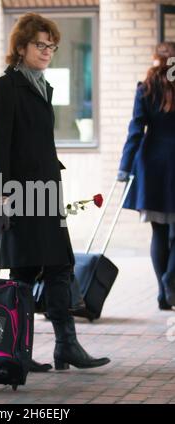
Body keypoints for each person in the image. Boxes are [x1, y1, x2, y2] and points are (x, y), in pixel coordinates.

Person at [0, 13, 110, 372]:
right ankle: (23, 350)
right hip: (21, 194)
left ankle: (62, 346)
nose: (47, 51)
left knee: (58, 266)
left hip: (46, 192)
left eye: (52, 46)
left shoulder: (42, 85)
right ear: (21, 46)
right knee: (27, 272)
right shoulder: (5, 88)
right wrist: (0, 196)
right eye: (40, 45)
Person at [117, 42, 175, 311]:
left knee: (159, 232)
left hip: (151, 165)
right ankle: (170, 280)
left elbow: (136, 129)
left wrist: (125, 167)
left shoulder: (146, 88)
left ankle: (164, 294)